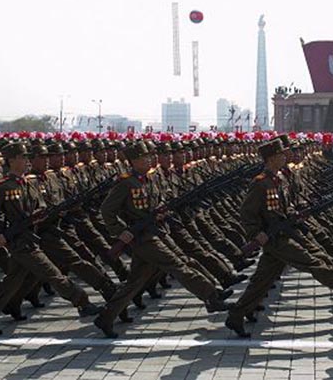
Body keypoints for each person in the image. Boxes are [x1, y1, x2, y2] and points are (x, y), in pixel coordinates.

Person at [225, 139, 333, 338]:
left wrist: (294, 212)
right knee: (314, 263)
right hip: (276, 239)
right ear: (272, 158)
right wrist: (256, 234)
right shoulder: (260, 183)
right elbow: (247, 213)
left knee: (262, 280)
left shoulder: (278, 180)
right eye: (281, 154)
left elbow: (284, 207)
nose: (285, 156)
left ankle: (237, 314)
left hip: (284, 233)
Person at [93, 141, 231, 339]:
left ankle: (105, 318)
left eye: (150, 156)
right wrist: (119, 231)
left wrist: (161, 212)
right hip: (142, 238)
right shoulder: (125, 182)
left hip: (157, 231)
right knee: (177, 265)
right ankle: (210, 296)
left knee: (136, 281)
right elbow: (106, 210)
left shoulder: (148, 179)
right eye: (145, 157)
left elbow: (155, 204)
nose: (150, 159)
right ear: (134, 161)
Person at [0, 142, 102, 336]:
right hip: (20, 242)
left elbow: (39, 205)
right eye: (23, 157)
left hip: (30, 237)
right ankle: (82, 301)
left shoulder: (29, 182)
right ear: (12, 161)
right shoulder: (4, 186)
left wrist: (40, 214)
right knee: (54, 275)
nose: (27, 161)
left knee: (12, 283)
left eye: (27, 157)